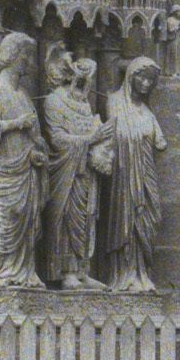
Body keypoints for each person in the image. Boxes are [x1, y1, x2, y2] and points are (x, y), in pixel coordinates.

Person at [0, 32, 48, 287]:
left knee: (29, 219)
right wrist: (16, 123)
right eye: (27, 56)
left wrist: (37, 153)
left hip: (26, 170)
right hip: (3, 172)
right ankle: (5, 272)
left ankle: (25, 272)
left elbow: (33, 136)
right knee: (8, 218)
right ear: (15, 56)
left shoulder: (24, 95)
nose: (30, 62)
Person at [41, 47, 111, 289]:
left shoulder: (83, 103)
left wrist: (101, 142)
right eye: (81, 80)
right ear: (67, 76)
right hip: (65, 170)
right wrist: (91, 139)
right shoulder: (54, 101)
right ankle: (65, 271)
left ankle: (82, 270)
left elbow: (90, 132)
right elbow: (57, 138)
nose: (84, 85)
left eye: (87, 81)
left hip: (86, 170)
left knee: (87, 216)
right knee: (66, 217)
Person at [101, 58, 168, 293]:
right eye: (142, 77)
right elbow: (115, 134)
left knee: (151, 217)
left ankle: (143, 273)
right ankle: (127, 275)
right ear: (131, 77)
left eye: (151, 80)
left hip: (146, 172)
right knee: (128, 220)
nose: (146, 83)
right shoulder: (115, 102)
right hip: (125, 176)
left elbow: (160, 143)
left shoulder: (148, 112)